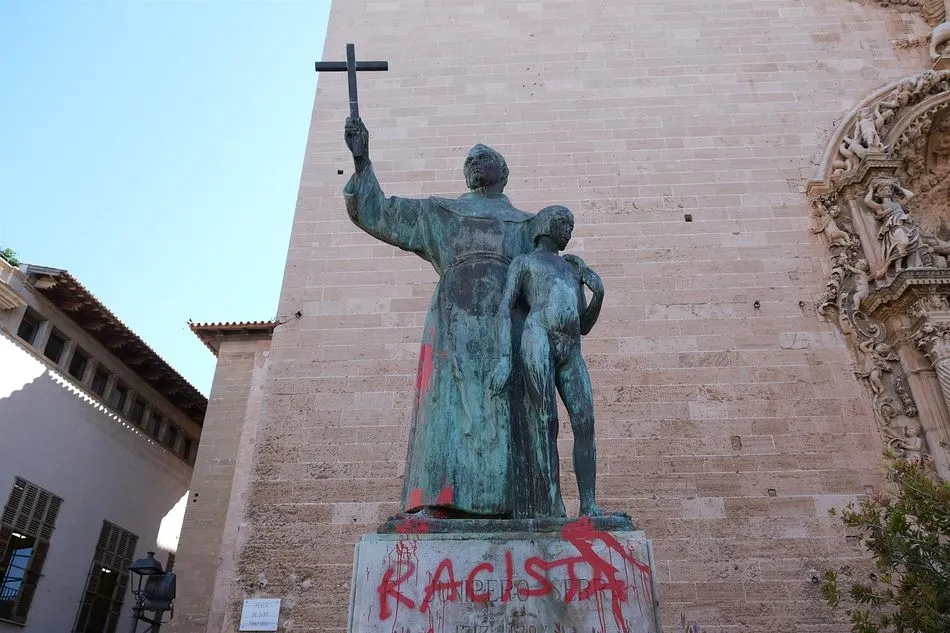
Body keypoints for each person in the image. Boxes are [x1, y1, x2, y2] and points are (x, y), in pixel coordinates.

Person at [342, 117, 537, 517]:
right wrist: (362, 161)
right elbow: (381, 212)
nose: (473, 162)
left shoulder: (529, 225)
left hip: (507, 323)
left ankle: (515, 500)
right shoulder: (440, 213)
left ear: (503, 173)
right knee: (447, 407)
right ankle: (441, 498)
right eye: (469, 160)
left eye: (482, 157)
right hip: (453, 321)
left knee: (509, 404)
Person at [489, 205, 606, 518]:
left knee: (585, 421)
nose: (569, 230)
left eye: (571, 225)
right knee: (545, 420)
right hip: (538, 335)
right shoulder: (525, 262)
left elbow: (584, 324)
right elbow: (505, 308)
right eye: (564, 223)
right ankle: (552, 502)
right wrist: (504, 358)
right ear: (548, 225)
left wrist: (598, 295)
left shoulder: (572, 267)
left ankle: (589, 504)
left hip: (571, 347)